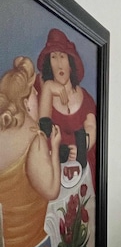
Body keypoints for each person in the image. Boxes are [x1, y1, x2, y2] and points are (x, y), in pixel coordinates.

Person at [0, 56, 61, 247]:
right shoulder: (33, 139)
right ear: (26, 100)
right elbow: (51, 189)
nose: (39, 95)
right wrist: (55, 150)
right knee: (58, 230)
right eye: (35, 92)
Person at [37, 28, 97, 188]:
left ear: (71, 64)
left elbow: (91, 127)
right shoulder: (43, 92)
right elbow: (43, 129)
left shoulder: (86, 97)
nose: (59, 64)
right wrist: (48, 88)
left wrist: (81, 150)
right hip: (52, 168)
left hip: (80, 166)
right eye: (53, 57)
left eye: (62, 57)